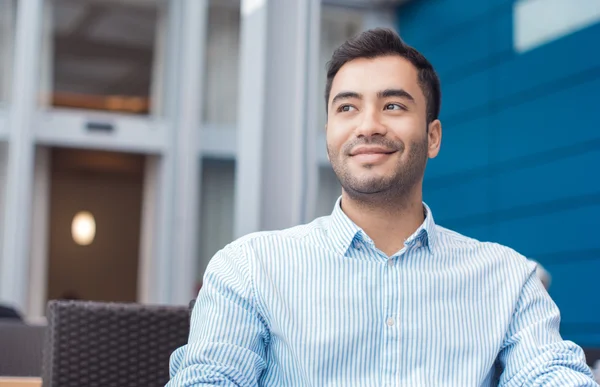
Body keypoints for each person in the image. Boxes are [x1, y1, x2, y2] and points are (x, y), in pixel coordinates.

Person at [168, 28, 596, 386]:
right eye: (347, 107)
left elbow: (550, 373)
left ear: (433, 137)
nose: (368, 125)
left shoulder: (508, 279)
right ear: (330, 133)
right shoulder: (248, 268)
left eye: (393, 105)